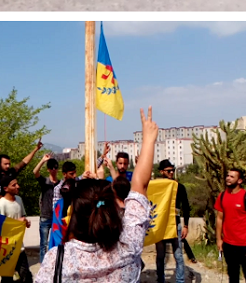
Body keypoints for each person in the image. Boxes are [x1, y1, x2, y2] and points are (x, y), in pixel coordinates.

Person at [35, 106, 158, 282]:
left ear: (75, 215)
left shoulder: (56, 260)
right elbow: (140, 185)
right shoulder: (128, 249)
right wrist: (148, 141)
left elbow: (139, 185)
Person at [215, 167, 246, 283]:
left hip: (245, 245)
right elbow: (219, 218)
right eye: (228, 176)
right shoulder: (222, 196)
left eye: (232, 177)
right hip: (229, 244)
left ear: (239, 181)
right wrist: (219, 239)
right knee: (232, 276)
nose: (228, 179)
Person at [0, 177, 33, 283]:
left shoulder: (19, 200)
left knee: (26, 275)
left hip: (19, 246)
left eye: (17, 184)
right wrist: (17, 222)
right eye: (13, 185)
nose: (17, 186)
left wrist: (25, 222)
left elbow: (22, 217)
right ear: (6, 188)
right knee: (7, 278)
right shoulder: (1, 204)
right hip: (6, 248)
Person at [155, 159, 189, 283]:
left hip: (176, 225)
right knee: (160, 256)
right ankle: (161, 281)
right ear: (161, 172)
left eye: (172, 170)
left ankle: (180, 282)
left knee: (178, 256)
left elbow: (186, 206)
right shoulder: (157, 187)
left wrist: (186, 225)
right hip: (160, 226)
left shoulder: (179, 187)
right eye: (168, 170)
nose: (171, 172)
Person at [34, 153, 60, 261]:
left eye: (55, 167)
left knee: (55, 244)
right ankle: (43, 266)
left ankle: (53, 264)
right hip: (45, 217)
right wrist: (43, 160)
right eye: (51, 168)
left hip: (56, 218)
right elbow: (35, 172)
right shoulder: (45, 182)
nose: (54, 169)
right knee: (43, 244)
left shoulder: (60, 183)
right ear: (48, 169)